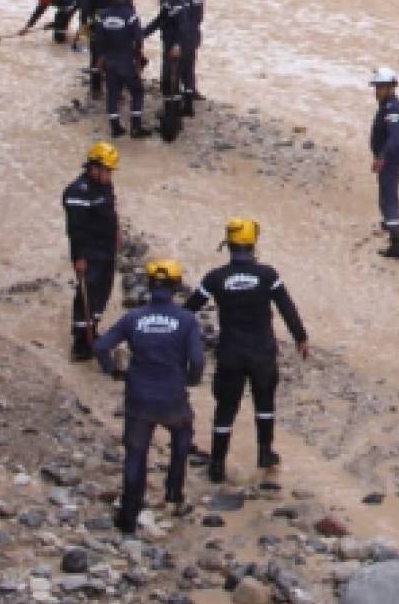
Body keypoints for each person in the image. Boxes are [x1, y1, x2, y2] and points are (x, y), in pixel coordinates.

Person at [186, 218, 311, 481]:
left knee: (226, 408)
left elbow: (189, 309)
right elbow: (287, 307)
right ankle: (265, 454)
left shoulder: (215, 278)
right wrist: (300, 337)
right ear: (253, 244)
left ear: (229, 245)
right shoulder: (268, 275)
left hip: (230, 352)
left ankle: (217, 465)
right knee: (264, 403)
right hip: (262, 351)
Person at [95, 258, 204, 534]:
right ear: (177, 287)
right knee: (182, 437)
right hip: (172, 397)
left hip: (139, 398)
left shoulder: (134, 318)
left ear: (148, 284)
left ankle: (129, 516)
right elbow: (198, 360)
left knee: (136, 454)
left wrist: (113, 371)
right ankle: (173, 495)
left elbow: (101, 346)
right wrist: (190, 380)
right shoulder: (186, 320)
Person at [63, 141, 121, 360]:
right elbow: (75, 230)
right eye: (107, 171)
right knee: (88, 293)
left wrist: (117, 232)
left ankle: (93, 328)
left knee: (103, 291)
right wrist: (79, 257)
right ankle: (81, 341)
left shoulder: (104, 185)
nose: (109, 176)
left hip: (106, 248)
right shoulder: (77, 192)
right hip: (90, 252)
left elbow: (110, 211)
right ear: (93, 167)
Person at [95, 0, 150, 139]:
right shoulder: (130, 16)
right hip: (126, 61)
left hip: (110, 61)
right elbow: (138, 39)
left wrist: (100, 58)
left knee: (112, 93)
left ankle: (115, 127)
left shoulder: (102, 16)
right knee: (137, 91)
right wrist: (139, 60)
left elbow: (98, 40)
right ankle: (136, 126)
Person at [369, 67, 399, 259]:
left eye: (380, 87)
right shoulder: (388, 105)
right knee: (388, 195)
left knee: (388, 199)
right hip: (393, 159)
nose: (376, 91)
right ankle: (390, 223)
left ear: (391, 87)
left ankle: (397, 245)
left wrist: (382, 157)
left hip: (392, 161)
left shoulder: (392, 108)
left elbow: (395, 137)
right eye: (376, 87)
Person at [82, 0, 122, 98]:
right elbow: (128, 3)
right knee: (117, 53)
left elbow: (84, 4)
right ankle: (116, 90)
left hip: (96, 21)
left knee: (96, 54)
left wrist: (83, 23)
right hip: (117, 21)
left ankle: (96, 89)